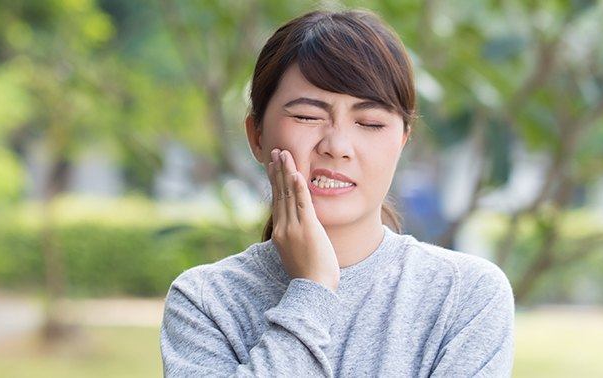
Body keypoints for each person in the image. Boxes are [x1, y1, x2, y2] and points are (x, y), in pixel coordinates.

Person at [160, 9, 514, 377]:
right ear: (257, 136)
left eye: (370, 123)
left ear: (402, 141)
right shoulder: (205, 301)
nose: (338, 145)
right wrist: (311, 291)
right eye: (307, 117)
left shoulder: (466, 294)